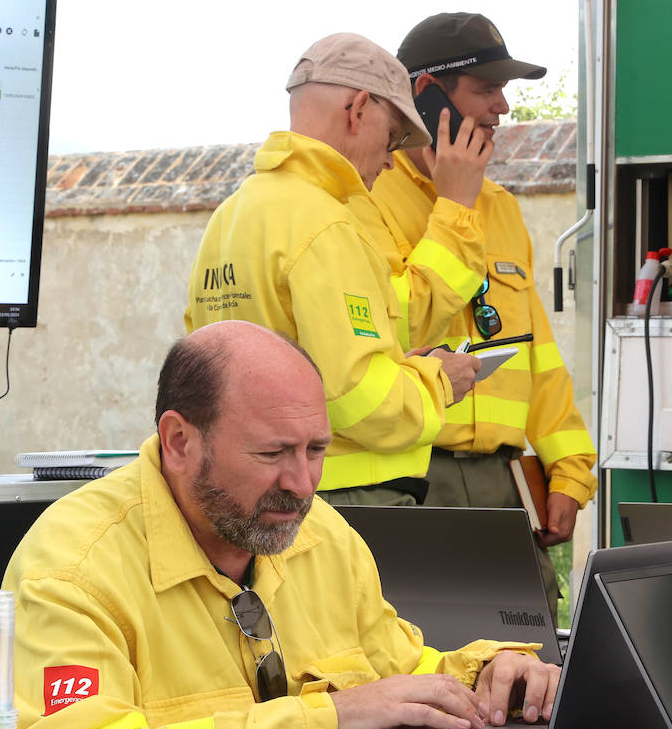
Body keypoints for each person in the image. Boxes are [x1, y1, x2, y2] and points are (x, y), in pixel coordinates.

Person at [6, 321, 559, 729]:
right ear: (178, 441)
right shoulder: (72, 569)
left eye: (316, 450)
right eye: (272, 453)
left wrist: (489, 676)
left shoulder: (323, 536)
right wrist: (328, 719)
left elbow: (397, 671)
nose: (301, 484)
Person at [184, 32, 487, 508]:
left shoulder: (231, 215)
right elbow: (358, 398)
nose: (390, 161)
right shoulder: (327, 223)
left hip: (250, 494)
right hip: (347, 496)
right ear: (358, 109)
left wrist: (401, 364)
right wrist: (439, 380)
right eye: (391, 138)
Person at [362, 12, 598, 613]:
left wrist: (569, 468)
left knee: (531, 651)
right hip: (409, 476)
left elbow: (537, 355)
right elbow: (397, 327)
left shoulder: (503, 208)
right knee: (421, 651)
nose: (502, 108)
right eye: (487, 89)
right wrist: (455, 205)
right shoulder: (365, 200)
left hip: (503, 484)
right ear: (427, 93)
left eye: (504, 91)